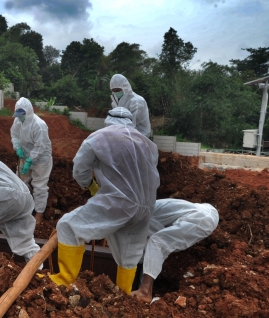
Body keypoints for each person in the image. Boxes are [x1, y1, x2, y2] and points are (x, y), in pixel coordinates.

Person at [48, 107, 160, 295]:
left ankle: (64, 281)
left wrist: (90, 184)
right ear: (131, 122)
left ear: (108, 120)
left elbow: (79, 170)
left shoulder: (98, 137)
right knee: (129, 253)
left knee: (68, 226)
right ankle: (123, 294)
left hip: (119, 201)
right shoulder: (148, 144)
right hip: (147, 205)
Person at [130, 199, 219, 303]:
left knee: (157, 241)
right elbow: (150, 253)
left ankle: (145, 291)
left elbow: (155, 245)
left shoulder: (137, 216)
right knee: (156, 243)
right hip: (205, 214)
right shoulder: (140, 212)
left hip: (202, 217)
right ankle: (145, 291)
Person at [11, 97, 52, 225]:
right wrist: (17, 147)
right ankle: (23, 208)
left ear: (28, 112)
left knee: (39, 186)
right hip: (24, 156)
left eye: (22, 114)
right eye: (18, 114)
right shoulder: (18, 121)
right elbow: (14, 135)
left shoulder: (39, 125)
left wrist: (30, 160)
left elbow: (40, 146)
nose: (20, 117)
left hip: (41, 159)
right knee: (19, 182)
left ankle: (39, 213)